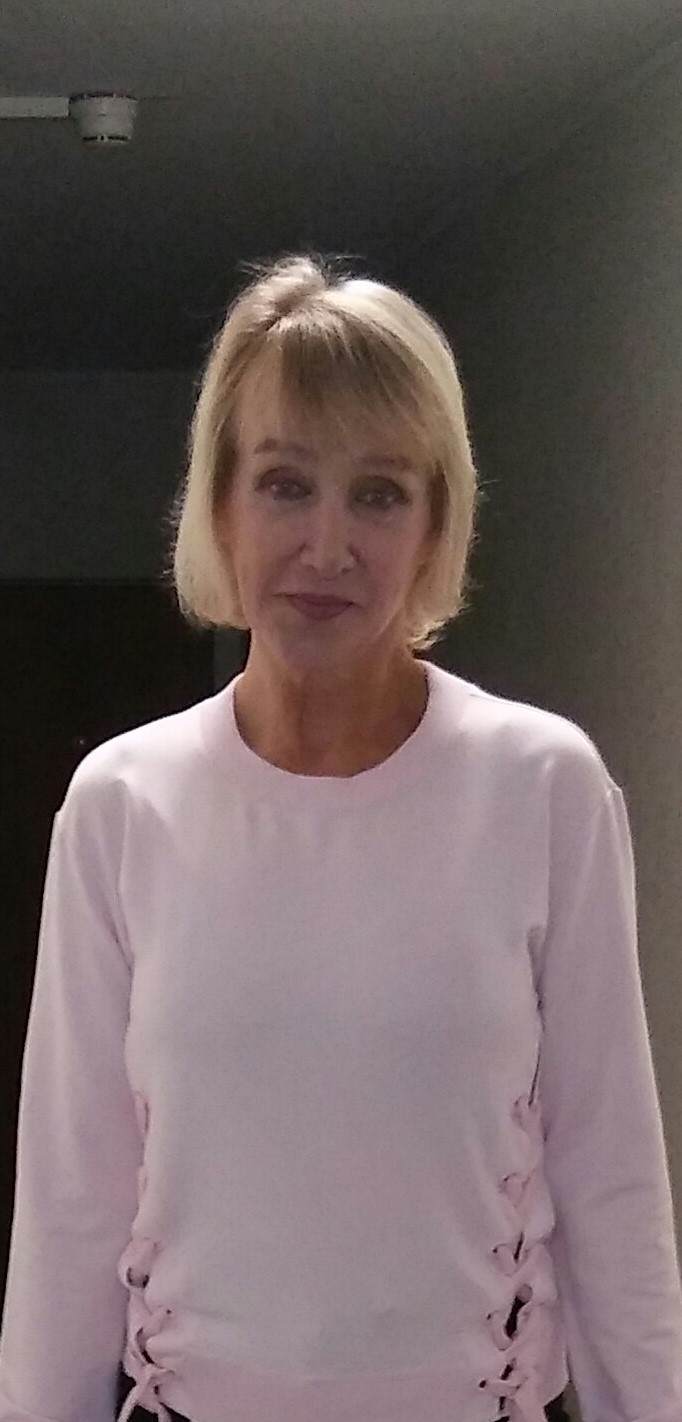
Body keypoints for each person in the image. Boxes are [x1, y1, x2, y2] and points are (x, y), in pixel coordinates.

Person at [1, 251, 681, 1422]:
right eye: (284, 484)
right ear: (221, 502)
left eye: (377, 494)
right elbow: (69, 1209)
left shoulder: (542, 788)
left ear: (434, 522)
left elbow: (610, 1187)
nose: (326, 546)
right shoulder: (123, 804)